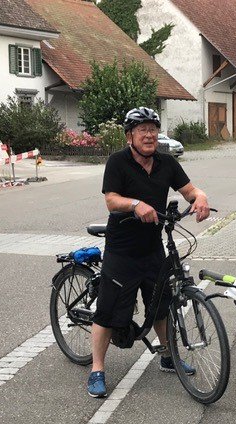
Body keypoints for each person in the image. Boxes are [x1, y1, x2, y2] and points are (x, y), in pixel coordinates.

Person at [88, 107, 210, 399]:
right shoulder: (117, 161)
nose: (149, 135)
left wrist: (200, 197)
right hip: (122, 249)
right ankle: (97, 369)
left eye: (153, 129)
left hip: (152, 246)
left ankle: (167, 355)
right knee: (107, 309)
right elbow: (111, 200)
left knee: (161, 303)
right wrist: (135, 204)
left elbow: (189, 190)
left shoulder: (166, 163)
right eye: (142, 130)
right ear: (129, 136)